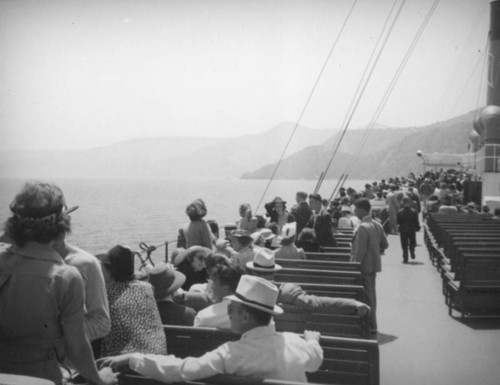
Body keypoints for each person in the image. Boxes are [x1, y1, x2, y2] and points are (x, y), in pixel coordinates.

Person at [98, 275, 323, 383]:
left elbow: (184, 369)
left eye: (232, 309)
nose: (227, 313)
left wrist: (132, 358)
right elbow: (316, 359)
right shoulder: (295, 343)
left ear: (245, 315)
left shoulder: (233, 353)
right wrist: (312, 340)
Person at [0, 181, 116, 385]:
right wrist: (100, 379)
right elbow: (78, 348)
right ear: (61, 226)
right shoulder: (66, 276)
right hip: (44, 377)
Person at [245, 250, 370, 317]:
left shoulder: (244, 293)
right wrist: (352, 304)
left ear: (253, 273)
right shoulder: (287, 292)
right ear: (274, 272)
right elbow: (317, 303)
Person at [100, 245, 167, 357]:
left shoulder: (105, 293)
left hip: (124, 363)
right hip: (157, 359)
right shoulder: (147, 288)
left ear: (109, 270)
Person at [52, 236, 111, 358]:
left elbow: (101, 323)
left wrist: (52, 338)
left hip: (65, 362)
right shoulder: (15, 262)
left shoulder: (84, 264)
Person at [350, 198, 388, 334]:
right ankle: (373, 323)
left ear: (362, 209)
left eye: (356, 209)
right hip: (373, 267)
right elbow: (385, 244)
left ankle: (371, 325)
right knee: (372, 294)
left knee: (366, 296)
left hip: (364, 268)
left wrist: (352, 269)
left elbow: (359, 253)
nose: (354, 212)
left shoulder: (362, 227)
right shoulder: (377, 224)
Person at [194, 263, 243, 329]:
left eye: (214, 282)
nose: (212, 287)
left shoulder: (203, 317)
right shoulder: (250, 318)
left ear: (225, 289)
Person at [396, 197, 421, 263]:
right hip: (411, 229)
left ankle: (405, 257)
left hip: (403, 229)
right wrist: (418, 227)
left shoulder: (400, 211)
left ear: (403, 203)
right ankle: (412, 250)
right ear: (409, 203)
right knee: (412, 241)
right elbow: (416, 221)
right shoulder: (413, 211)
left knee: (404, 244)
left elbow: (398, 221)